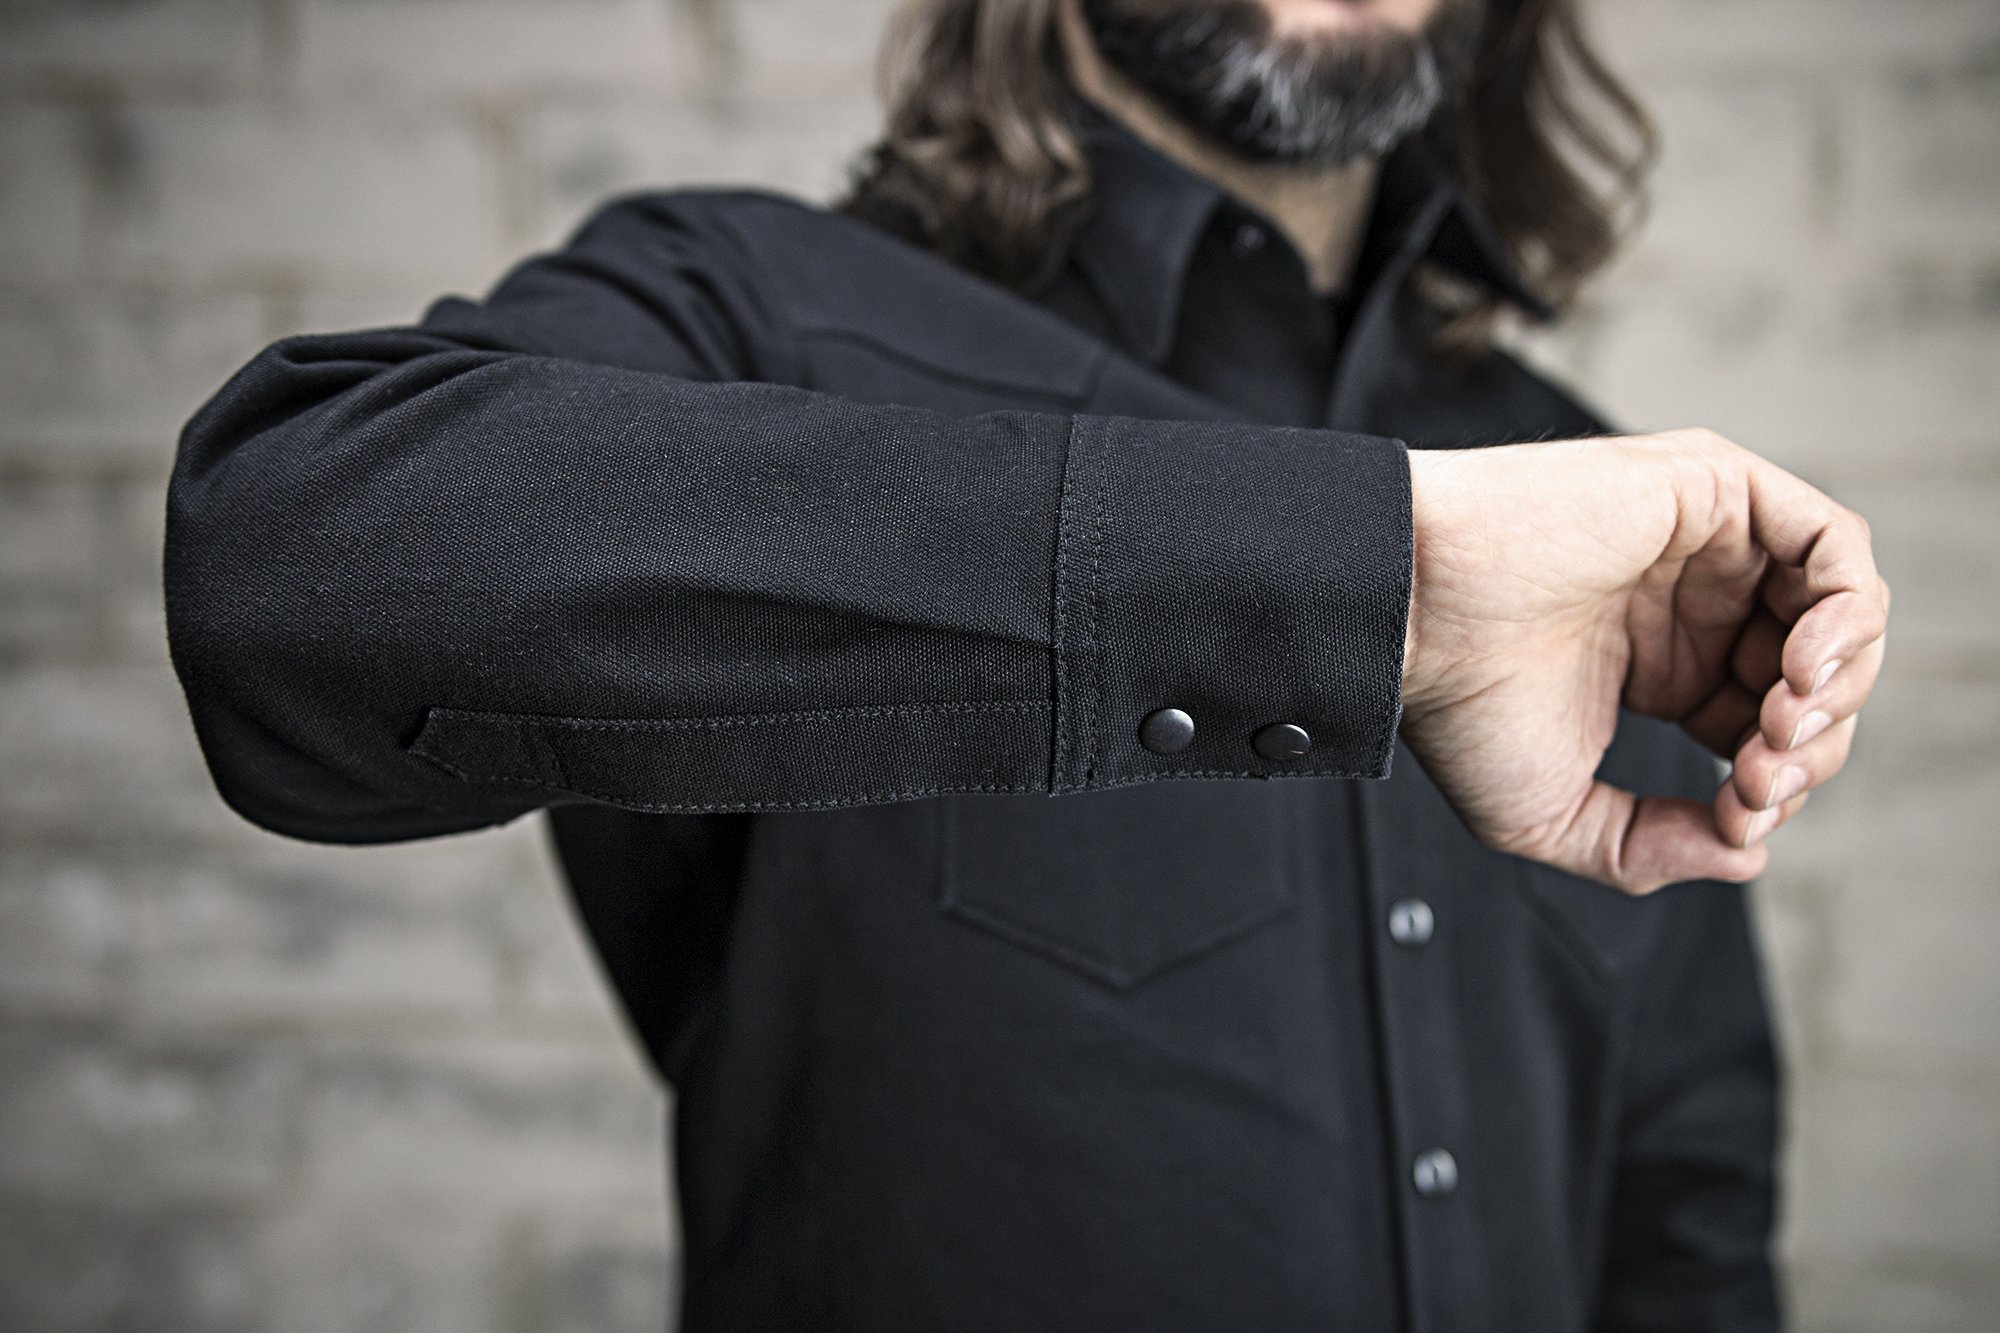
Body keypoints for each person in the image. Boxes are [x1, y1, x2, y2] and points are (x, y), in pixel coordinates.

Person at [164, 0, 1889, 1327]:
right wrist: (1382, 578)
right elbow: (291, 562)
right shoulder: (752, 322)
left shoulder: (1611, 512)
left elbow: (1686, 1223)